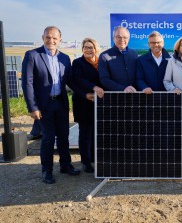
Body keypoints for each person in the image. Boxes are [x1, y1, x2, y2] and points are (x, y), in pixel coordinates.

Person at [21, 26, 80, 184]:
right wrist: (32, 107)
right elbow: (27, 83)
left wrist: (87, 92)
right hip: (43, 106)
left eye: (54, 38)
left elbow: (70, 81)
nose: (51, 40)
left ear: (60, 39)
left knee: (63, 137)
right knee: (47, 138)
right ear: (43, 38)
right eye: (48, 37)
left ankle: (65, 165)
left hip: (60, 103)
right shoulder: (32, 55)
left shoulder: (65, 58)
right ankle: (46, 170)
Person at [71, 38, 104, 173]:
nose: (89, 50)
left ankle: (94, 158)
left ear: (96, 48)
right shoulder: (78, 63)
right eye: (86, 47)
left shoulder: (101, 62)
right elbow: (77, 80)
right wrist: (91, 88)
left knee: (96, 132)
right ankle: (85, 161)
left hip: (99, 102)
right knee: (85, 133)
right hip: (83, 101)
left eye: (91, 47)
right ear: (82, 49)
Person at [98, 26, 138, 92]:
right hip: (114, 97)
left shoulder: (134, 54)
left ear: (129, 39)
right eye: (118, 37)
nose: (122, 40)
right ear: (113, 38)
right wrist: (122, 88)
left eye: (125, 37)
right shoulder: (104, 56)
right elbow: (104, 79)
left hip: (135, 95)